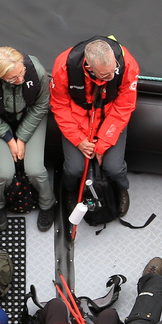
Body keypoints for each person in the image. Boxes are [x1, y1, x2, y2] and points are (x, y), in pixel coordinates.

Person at [50, 35, 139, 217]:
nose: (112, 76)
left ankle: (122, 188)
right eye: (106, 75)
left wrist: (102, 144)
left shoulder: (127, 65)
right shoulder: (63, 67)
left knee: (114, 167)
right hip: (77, 121)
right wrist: (79, 140)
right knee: (74, 168)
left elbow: (124, 107)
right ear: (89, 68)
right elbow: (59, 105)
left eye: (114, 70)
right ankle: (70, 191)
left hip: (111, 119)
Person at [0, 46, 57, 231]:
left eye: (22, 72)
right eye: (13, 78)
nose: (21, 79)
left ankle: (47, 203)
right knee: (4, 173)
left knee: (35, 169)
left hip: (30, 118)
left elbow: (42, 106)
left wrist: (22, 138)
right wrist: (10, 139)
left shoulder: (37, 72)